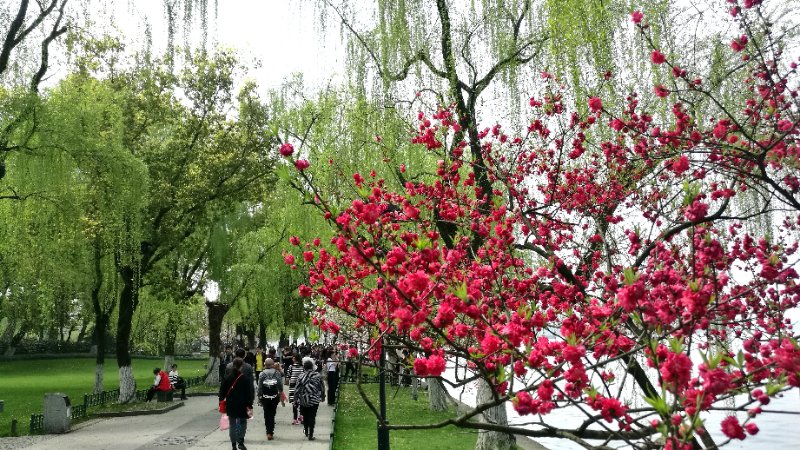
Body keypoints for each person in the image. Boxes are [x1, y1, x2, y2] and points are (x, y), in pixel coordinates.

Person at [220, 358, 253, 450]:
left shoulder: (227, 377)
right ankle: (241, 441)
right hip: (242, 404)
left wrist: (221, 402)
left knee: (232, 424)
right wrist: (249, 405)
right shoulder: (245, 378)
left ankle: (233, 445)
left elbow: (222, 392)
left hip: (230, 403)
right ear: (241, 366)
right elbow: (248, 393)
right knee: (243, 422)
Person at [294, 358, 325, 441]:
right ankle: (311, 434)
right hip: (314, 399)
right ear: (312, 367)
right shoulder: (317, 376)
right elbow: (322, 387)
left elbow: (297, 388)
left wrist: (295, 399)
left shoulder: (301, 376)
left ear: (304, 367)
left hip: (303, 399)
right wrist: (322, 396)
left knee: (305, 415)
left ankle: (306, 431)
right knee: (312, 416)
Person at [257, 358, 284, 441]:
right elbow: (280, 385)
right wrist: (281, 392)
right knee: (272, 414)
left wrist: (259, 396)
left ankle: (268, 431)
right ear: (272, 365)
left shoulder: (262, 374)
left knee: (266, 414)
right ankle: (271, 432)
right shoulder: (277, 373)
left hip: (265, 397)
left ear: (265, 365)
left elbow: (260, 387)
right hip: (274, 396)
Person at [287, 354, 303, 425]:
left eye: (293, 358)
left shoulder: (291, 367)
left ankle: (295, 419)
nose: (292, 359)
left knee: (294, 402)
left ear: (295, 359)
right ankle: (301, 417)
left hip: (293, 386)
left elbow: (288, 376)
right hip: (301, 386)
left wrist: (287, 382)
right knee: (301, 402)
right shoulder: (303, 367)